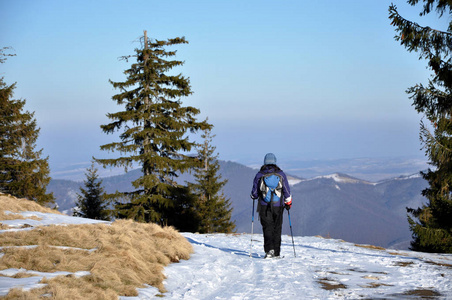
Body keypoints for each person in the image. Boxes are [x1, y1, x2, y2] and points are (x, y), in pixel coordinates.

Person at [251, 153, 292, 258]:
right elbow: (286, 190)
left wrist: (253, 196)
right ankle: (277, 253)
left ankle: (269, 251)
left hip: (264, 206)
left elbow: (254, 193)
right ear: (275, 161)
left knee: (267, 228)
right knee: (277, 228)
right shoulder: (281, 174)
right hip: (278, 206)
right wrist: (288, 202)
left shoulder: (260, 175)